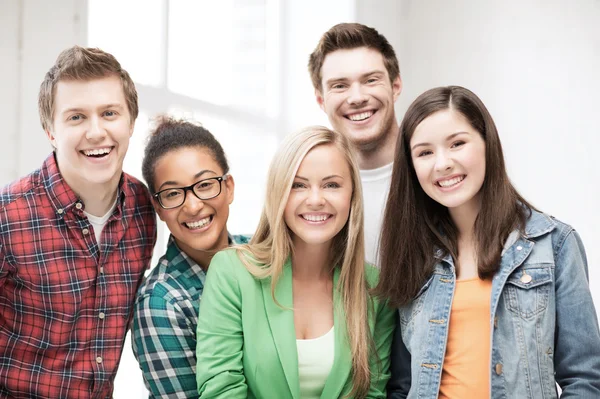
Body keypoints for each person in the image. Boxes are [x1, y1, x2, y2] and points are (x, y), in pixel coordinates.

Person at [377, 86, 600, 398]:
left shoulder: (554, 245)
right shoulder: (411, 254)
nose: (442, 163)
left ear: (487, 144)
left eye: (457, 144)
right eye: (425, 152)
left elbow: (585, 380)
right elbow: (401, 386)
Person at [0, 46, 157, 398]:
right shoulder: (7, 216)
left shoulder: (143, 209)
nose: (96, 132)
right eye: (76, 117)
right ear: (50, 130)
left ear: (131, 122)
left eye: (110, 113)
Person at [196, 126, 396, 398]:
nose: (316, 200)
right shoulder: (232, 272)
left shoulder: (374, 289)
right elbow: (221, 389)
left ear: (352, 196)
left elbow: (373, 393)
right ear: (279, 193)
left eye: (332, 185)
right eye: (298, 185)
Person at [131, 117, 249, 398]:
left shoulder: (264, 253)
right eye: (173, 193)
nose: (194, 206)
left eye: (205, 185)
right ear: (158, 207)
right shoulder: (160, 302)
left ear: (229, 187)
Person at [308, 22, 402, 265]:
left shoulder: (439, 174)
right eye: (340, 86)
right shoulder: (308, 191)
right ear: (321, 100)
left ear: (395, 87)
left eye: (371, 80)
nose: (358, 98)